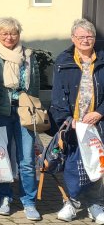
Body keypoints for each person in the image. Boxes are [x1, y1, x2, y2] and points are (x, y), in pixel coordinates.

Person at [50, 19, 104, 222]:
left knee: (96, 163)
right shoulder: (63, 61)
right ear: (73, 39)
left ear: (94, 38)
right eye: (80, 37)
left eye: (89, 36)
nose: (85, 40)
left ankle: (96, 204)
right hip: (73, 123)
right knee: (73, 164)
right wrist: (65, 119)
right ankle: (71, 202)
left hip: (97, 122)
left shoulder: (103, 59)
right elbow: (57, 96)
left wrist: (99, 112)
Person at [0, 17, 41, 221]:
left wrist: (33, 107)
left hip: (24, 112)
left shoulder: (28, 55)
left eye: (13, 33)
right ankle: (4, 197)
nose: (9, 37)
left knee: (26, 160)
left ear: (19, 34)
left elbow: (35, 84)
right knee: (2, 158)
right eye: (4, 33)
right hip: (0, 112)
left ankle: (29, 201)